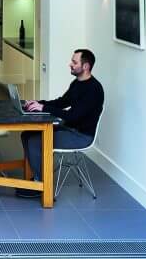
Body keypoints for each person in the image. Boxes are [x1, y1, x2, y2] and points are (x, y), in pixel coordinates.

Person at [15, 47, 104, 197]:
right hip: (69, 129)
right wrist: (37, 103)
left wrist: (44, 107)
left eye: (74, 62)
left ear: (85, 66)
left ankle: (42, 185)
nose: (70, 64)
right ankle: (37, 177)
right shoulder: (77, 83)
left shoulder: (94, 90)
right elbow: (62, 102)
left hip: (80, 136)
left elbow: (72, 116)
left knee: (36, 141)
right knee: (27, 134)